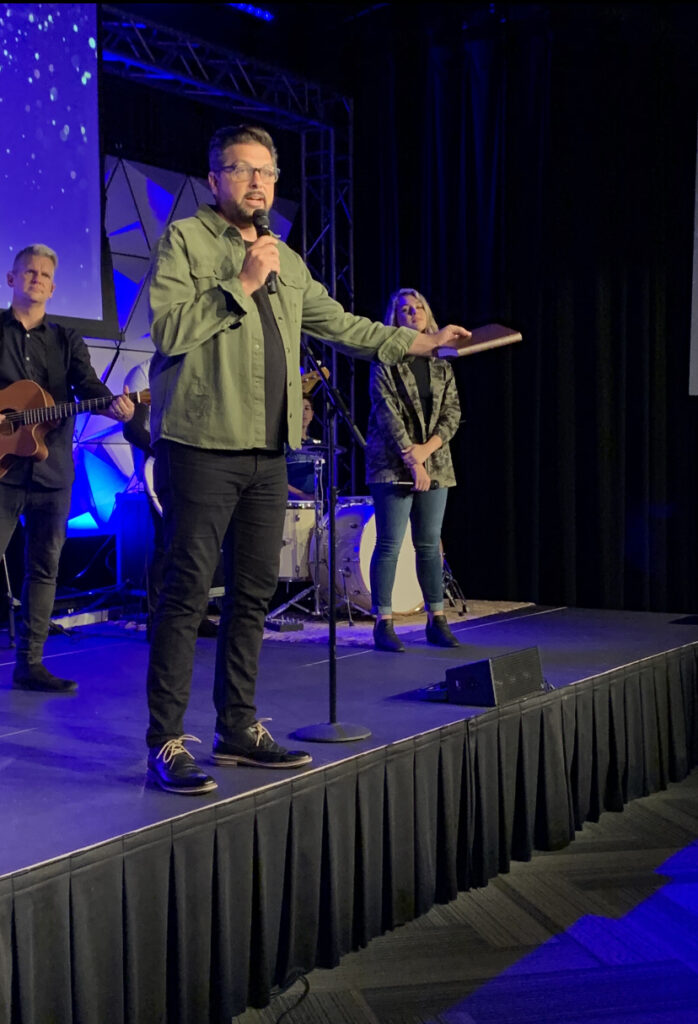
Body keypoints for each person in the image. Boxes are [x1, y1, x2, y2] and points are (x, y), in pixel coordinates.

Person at [145, 124, 471, 795]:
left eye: (267, 173)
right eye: (242, 170)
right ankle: (166, 740)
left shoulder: (287, 261)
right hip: (201, 445)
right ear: (215, 180)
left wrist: (420, 343)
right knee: (184, 596)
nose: (257, 183)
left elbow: (344, 325)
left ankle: (237, 730)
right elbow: (169, 330)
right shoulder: (186, 241)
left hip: (271, 455)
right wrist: (240, 280)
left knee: (253, 598)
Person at [0, 244, 134, 692]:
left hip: (52, 468)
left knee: (43, 567)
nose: (36, 279)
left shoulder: (66, 340)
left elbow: (89, 387)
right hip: (1, 470)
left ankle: (30, 663)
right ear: (11, 280)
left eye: (43, 275)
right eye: (28, 272)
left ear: (53, 288)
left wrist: (117, 406)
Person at [366, 287, 462, 653]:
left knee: (429, 545)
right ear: (394, 319)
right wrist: (411, 457)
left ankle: (437, 621)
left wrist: (426, 452)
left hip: (435, 460)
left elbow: (452, 414)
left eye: (418, 305)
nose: (412, 312)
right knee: (389, 544)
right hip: (391, 461)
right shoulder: (385, 360)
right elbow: (386, 412)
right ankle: (383, 623)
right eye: (403, 309)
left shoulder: (443, 362)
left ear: (427, 312)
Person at [122, 355, 219, 638]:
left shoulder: (195, 370)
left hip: (194, 466)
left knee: (198, 543)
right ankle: (158, 620)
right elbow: (133, 429)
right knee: (166, 543)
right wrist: (167, 451)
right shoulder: (141, 373)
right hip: (159, 467)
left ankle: (194, 614)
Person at [286, 396, 323, 501]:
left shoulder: (318, 445)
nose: (303, 413)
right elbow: (277, 479)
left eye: (307, 409)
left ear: (312, 415)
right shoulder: (285, 445)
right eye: (299, 409)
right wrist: (302, 495)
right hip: (290, 504)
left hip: (314, 505)